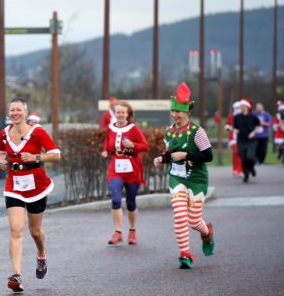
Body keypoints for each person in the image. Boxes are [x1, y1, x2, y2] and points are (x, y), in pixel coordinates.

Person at [0, 98, 61, 292]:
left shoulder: (37, 132)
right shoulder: (4, 133)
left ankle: (41, 254)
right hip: (13, 184)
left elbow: (56, 154)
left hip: (36, 186)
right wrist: (2, 161)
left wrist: (36, 157)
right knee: (16, 229)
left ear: (25, 112)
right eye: (12, 110)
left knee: (35, 231)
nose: (15, 113)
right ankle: (16, 275)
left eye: (18, 110)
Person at [153, 83, 215, 269]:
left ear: (187, 112)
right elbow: (169, 154)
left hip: (196, 179)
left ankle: (207, 232)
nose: (174, 115)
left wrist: (187, 155)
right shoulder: (169, 131)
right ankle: (185, 255)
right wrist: (161, 158)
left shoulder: (197, 132)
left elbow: (208, 156)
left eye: (178, 112)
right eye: (172, 111)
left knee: (194, 220)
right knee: (180, 216)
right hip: (177, 178)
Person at [100, 100, 148, 245]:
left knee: (131, 202)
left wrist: (132, 145)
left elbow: (145, 146)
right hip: (115, 166)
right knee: (115, 198)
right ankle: (118, 232)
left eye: (122, 112)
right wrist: (105, 150)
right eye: (117, 112)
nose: (120, 115)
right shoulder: (110, 128)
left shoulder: (134, 129)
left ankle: (132, 231)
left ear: (128, 114)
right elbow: (107, 141)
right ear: (114, 114)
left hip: (132, 167)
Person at [233, 98, 261, 183]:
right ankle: (246, 174)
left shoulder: (253, 116)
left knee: (250, 157)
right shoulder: (237, 117)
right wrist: (235, 130)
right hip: (241, 141)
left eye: (243, 105)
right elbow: (235, 127)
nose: (241, 107)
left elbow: (258, 125)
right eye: (241, 106)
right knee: (243, 159)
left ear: (247, 107)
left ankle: (251, 168)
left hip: (251, 141)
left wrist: (253, 132)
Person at [225, 101, 243, 177]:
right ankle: (235, 169)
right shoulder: (231, 116)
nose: (238, 109)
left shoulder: (243, 116)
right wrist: (230, 128)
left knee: (241, 154)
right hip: (233, 138)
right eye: (236, 108)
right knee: (236, 153)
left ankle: (240, 170)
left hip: (242, 137)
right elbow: (227, 126)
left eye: (239, 108)